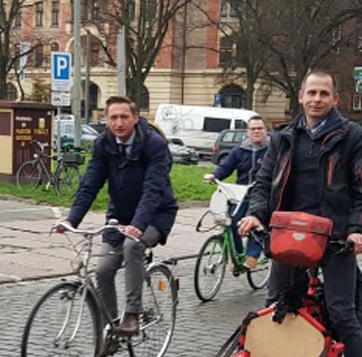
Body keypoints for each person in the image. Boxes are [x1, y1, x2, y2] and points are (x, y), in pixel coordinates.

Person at [238, 70, 362, 357]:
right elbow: (263, 183)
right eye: (311, 93)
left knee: (342, 314)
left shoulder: (352, 137)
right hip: (288, 236)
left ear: (335, 99)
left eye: (324, 93)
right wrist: (256, 213)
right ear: (300, 97)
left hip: (334, 239)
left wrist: (357, 230)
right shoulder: (284, 138)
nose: (317, 99)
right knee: (275, 311)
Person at [58, 95, 179, 337]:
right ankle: (111, 327)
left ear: (135, 118)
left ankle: (132, 315)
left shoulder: (154, 145)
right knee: (103, 270)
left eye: (124, 117)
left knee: (132, 246)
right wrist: (71, 220)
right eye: (113, 117)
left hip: (156, 213)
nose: (119, 123)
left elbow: (153, 190)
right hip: (120, 216)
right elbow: (90, 184)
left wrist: (137, 224)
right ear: (106, 119)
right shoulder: (104, 144)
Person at [203, 115, 272, 269]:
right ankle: (239, 255)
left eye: (259, 128)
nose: (256, 131)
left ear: (266, 130)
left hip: (263, 196)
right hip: (241, 195)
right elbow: (226, 166)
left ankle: (252, 256)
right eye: (252, 129)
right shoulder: (240, 150)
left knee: (256, 224)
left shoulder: (272, 150)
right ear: (247, 131)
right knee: (233, 222)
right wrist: (215, 176)